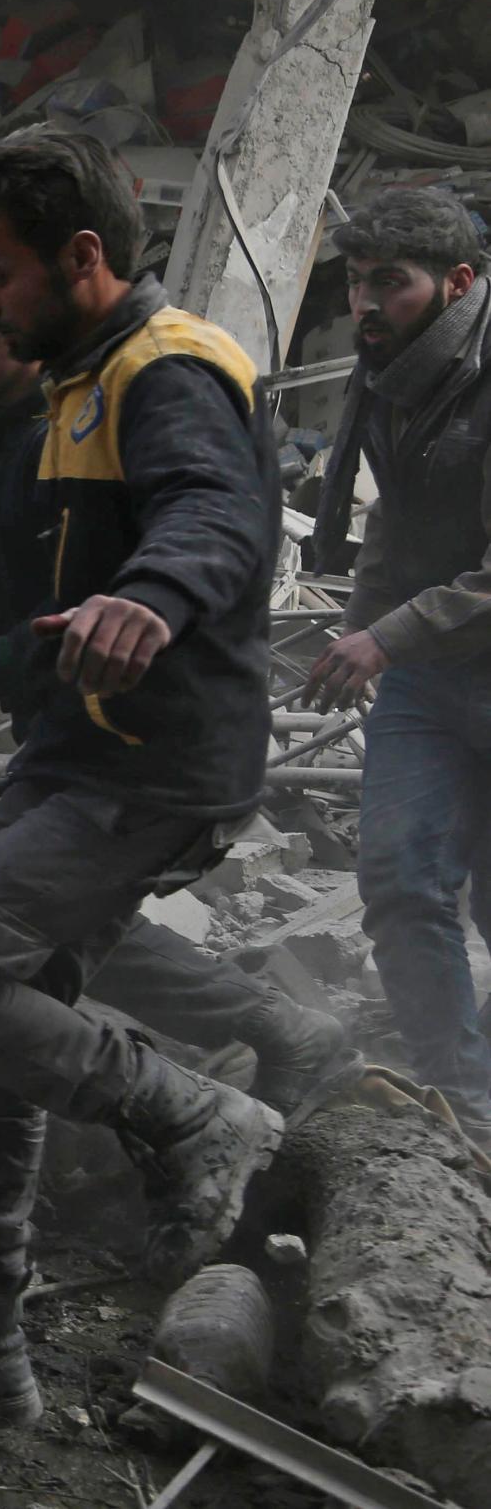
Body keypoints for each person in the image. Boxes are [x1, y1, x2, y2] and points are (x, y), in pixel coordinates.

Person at [0, 131, 285, 1442]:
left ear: (83, 258)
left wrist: (151, 596)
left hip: (153, 768)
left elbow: (217, 511)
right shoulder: (70, 381)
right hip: (75, 753)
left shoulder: (169, 365)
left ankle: (195, 1109)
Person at [0, 254, 349, 1272]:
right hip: (68, 744)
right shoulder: (2, 423)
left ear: (13, 317)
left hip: (138, 755)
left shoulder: (124, 407)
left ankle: (173, 1115)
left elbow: (92, 608)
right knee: (12, 959)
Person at [305, 188, 491, 1140]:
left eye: (391, 283)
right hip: (426, 670)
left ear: (457, 283)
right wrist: (361, 629)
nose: (365, 304)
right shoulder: (391, 369)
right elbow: (396, 512)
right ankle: (464, 1110)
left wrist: (389, 634)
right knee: (401, 878)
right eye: (354, 282)